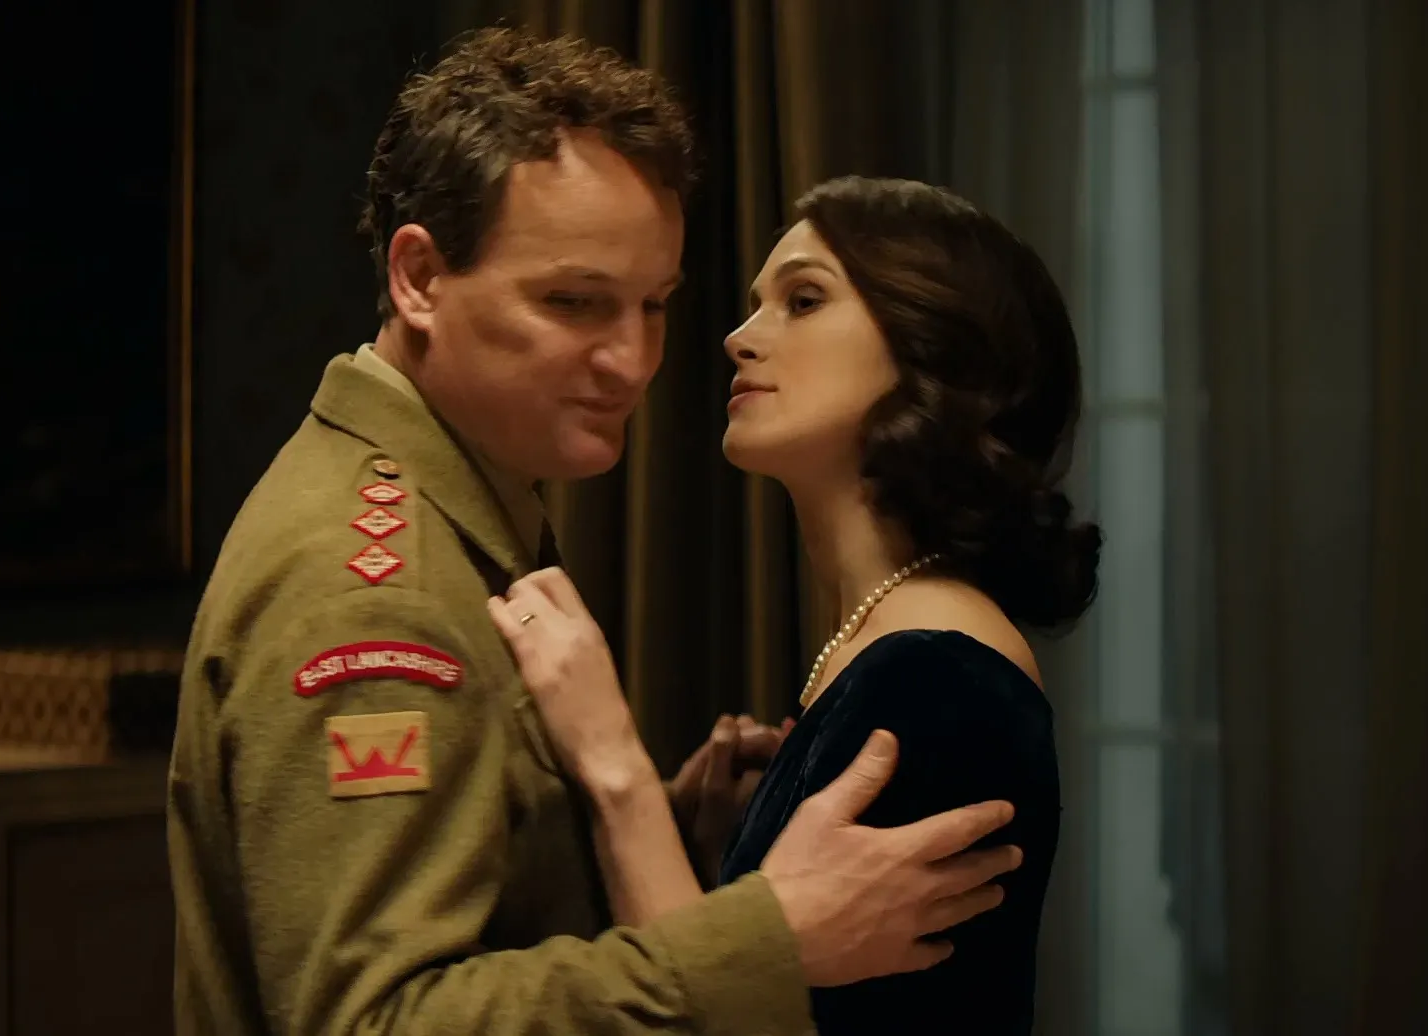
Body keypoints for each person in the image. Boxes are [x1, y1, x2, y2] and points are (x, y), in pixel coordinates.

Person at [165, 30, 1029, 1036]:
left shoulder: (463, 503)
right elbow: (374, 1021)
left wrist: (654, 824)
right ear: (420, 278)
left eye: (653, 306)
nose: (632, 361)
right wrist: (762, 935)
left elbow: (481, 884)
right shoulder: (377, 593)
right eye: (574, 302)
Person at [490, 176, 1101, 1035]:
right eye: (755, 305)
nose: (740, 337)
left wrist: (611, 762)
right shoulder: (883, 643)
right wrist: (726, 862)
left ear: (931, 348)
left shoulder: (938, 679)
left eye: (804, 300)